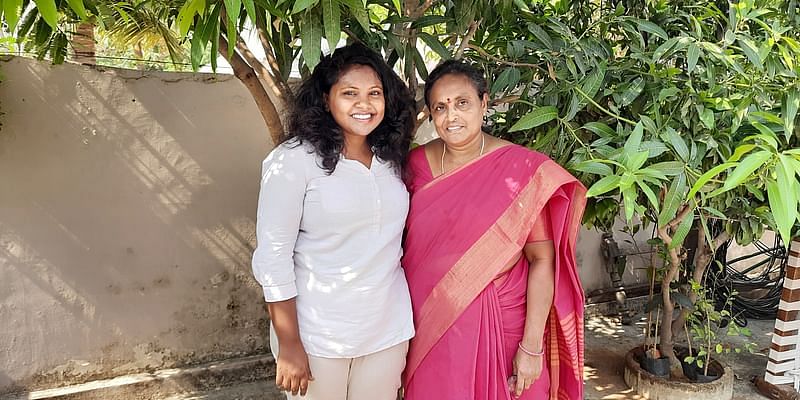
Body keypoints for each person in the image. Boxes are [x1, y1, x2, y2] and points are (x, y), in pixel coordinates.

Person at [402, 60, 586, 400]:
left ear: (484, 103)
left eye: (462, 103)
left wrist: (531, 346)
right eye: (440, 107)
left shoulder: (519, 170)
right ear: (430, 113)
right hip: (429, 327)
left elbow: (542, 259)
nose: (451, 116)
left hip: (503, 325)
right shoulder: (414, 167)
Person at [251, 43, 416, 400]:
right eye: (349, 93)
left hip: (386, 330)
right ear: (326, 100)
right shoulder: (293, 161)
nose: (364, 104)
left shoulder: (392, 158)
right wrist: (289, 343)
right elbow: (273, 257)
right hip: (317, 335)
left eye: (374, 93)